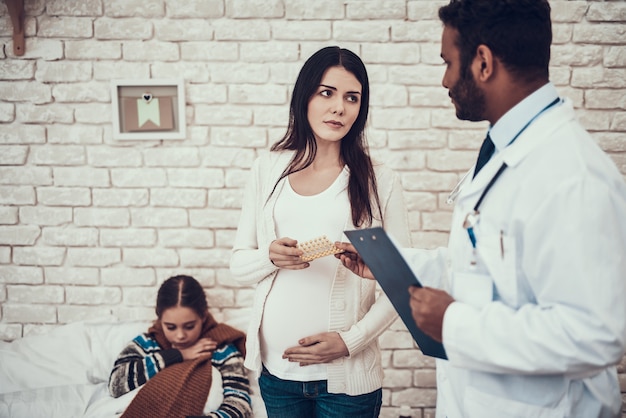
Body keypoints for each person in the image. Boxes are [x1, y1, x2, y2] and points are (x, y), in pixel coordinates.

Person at [336, 1, 626, 417]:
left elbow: (595, 334)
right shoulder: (504, 148)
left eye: (449, 63)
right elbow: (485, 267)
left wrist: (454, 324)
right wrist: (391, 263)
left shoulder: (573, 176)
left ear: (484, 62)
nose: (445, 80)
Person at [229, 46, 411, 418]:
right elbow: (238, 264)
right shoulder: (267, 169)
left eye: (352, 97)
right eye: (326, 93)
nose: (339, 108)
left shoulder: (380, 180)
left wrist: (349, 342)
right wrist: (269, 256)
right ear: (305, 97)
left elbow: (403, 281)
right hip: (277, 376)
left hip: (345, 382)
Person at [108, 275, 252, 418]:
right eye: (171, 327)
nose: (180, 335)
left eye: (189, 326)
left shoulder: (221, 349)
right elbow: (116, 384)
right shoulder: (148, 343)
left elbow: (240, 403)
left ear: (203, 316)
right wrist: (178, 355)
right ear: (160, 318)